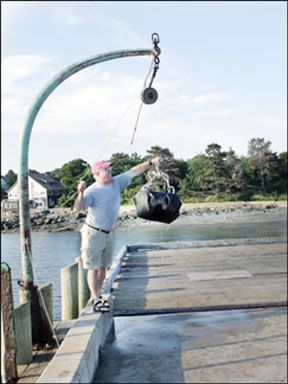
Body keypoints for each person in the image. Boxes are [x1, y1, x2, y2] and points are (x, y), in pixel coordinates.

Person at [74, 156, 161, 312]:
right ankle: (95, 299)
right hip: (93, 233)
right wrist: (80, 192)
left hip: (108, 232)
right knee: (92, 268)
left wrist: (150, 163)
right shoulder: (92, 190)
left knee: (103, 267)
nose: (109, 170)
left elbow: (134, 171)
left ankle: (99, 294)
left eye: (109, 167)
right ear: (96, 174)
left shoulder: (116, 182)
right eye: (105, 169)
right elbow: (78, 209)